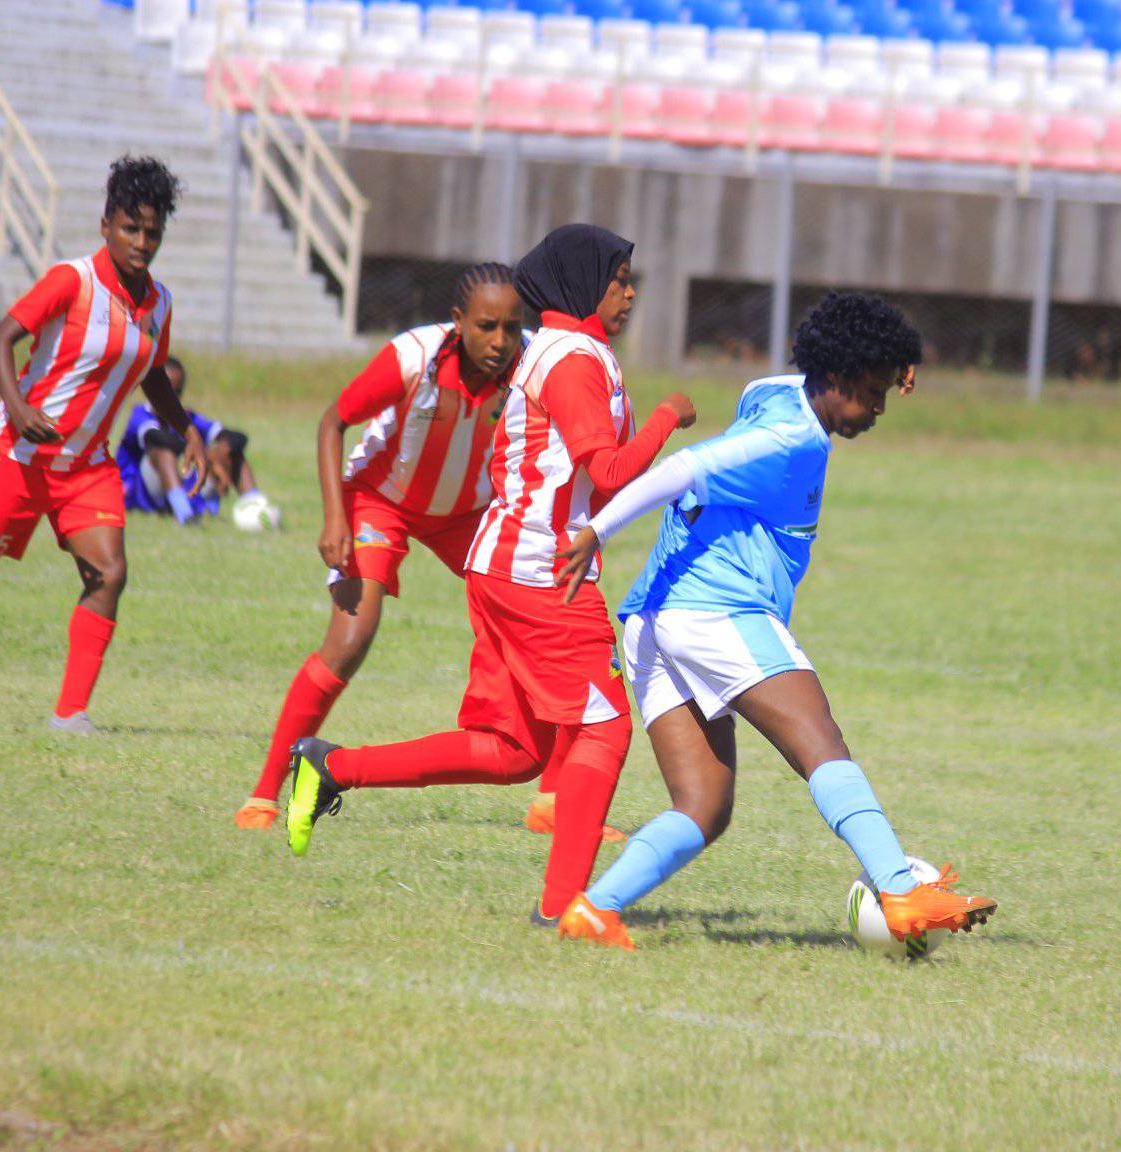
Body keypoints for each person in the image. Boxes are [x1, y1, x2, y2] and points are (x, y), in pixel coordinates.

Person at [548, 291, 996, 951]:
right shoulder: (785, 436)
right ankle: (899, 890)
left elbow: (783, 376)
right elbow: (679, 470)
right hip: (715, 608)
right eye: (870, 392)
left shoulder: (779, 394)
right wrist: (597, 530)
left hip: (652, 618)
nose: (877, 407)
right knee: (821, 740)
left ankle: (593, 909)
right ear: (834, 380)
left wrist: (893, 357)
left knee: (704, 805)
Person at [283, 225, 694, 926]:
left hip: (504, 565)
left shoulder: (566, 352)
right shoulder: (571, 359)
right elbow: (613, 471)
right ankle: (563, 909)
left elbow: (582, 464)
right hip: (540, 574)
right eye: (621, 278)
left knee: (511, 752)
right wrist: (668, 417)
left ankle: (329, 766)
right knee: (604, 726)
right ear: (583, 281)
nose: (631, 292)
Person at [0, 156, 206, 732]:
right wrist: (19, 412)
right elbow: (1, 338)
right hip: (16, 456)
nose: (141, 242)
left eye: (152, 232)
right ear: (106, 225)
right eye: (130, 228)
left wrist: (187, 429)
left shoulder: (158, 305)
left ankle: (70, 717)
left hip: (85, 466)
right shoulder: (73, 281)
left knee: (109, 571)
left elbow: (150, 375)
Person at [236, 262, 566, 832]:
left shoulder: (531, 364)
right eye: (486, 326)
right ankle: (265, 794)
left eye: (512, 327)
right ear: (457, 321)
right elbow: (331, 423)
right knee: (352, 636)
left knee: (553, 618)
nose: (501, 341)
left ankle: (555, 802)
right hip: (379, 503)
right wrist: (335, 517)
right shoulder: (412, 357)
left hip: (469, 515)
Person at [117, 356, 275, 527]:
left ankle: (258, 510)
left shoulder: (187, 417)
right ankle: (186, 516)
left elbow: (238, 437)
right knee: (162, 453)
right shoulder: (140, 415)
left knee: (231, 452)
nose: (170, 396)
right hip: (142, 494)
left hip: (178, 485)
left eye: (176, 392)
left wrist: (221, 451)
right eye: (165, 389)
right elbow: (158, 439)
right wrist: (208, 455)